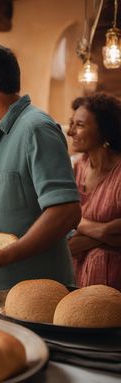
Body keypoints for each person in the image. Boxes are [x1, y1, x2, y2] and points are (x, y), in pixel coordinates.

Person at [0, 44, 81, 291]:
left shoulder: (36, 128)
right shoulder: (2, 132)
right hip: (7, 285)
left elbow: (66, 212)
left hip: (41, 289)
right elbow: (20, 202)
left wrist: (6, 255)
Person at [67, 93, 121, 290]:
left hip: (114, 289)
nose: (70, 132)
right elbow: (65, 237)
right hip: (76, 281)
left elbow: (71, 230)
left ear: (105, 130)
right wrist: (104, 231)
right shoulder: (76, 169)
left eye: (79, 125)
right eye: (71, 123)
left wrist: (78, 227)